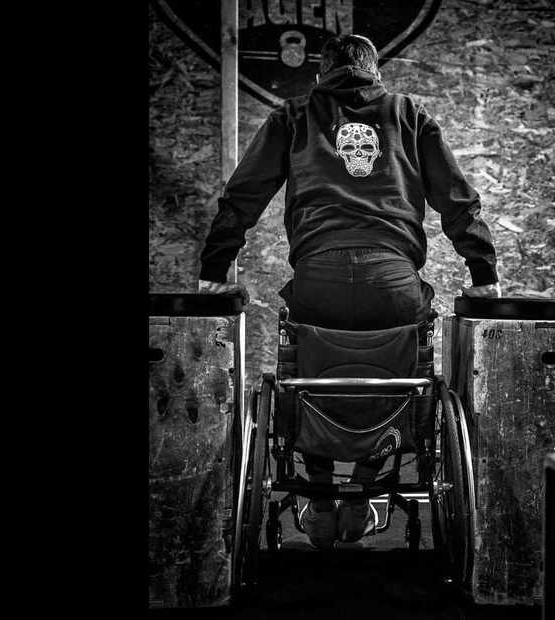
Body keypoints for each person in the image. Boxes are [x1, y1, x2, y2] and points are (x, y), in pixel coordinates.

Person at [197, 34, 500, 549]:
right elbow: (457, 199)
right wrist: (482, 270)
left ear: (321, 76)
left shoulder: (293, 115)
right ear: (375, 73)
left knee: (308, 376)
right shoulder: (409, 114)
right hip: (393, 283)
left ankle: (318, 501)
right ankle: (360, 493)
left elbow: (243, 195)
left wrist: (215, 265)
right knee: (398, 376)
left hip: (319, 280)